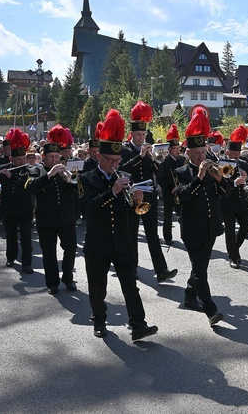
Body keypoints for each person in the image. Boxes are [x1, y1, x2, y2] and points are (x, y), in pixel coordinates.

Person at [80, 109, 158, 341]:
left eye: (118, 161)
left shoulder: (125, 176)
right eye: (110, 161)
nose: (115, 165)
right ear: (100, 159)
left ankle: (138, 324)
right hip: (98, 242)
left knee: (130, 285)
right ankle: (99, 320)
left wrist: (136, 200)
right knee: (98, 287)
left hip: (122, 240)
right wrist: (112, 192)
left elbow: (129, 211)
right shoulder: (87, 179)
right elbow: (88, 209)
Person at [175, 107, 229, 326]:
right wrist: (199, 177)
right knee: (200, 270)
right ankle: (210, 309)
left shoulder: (213, 171)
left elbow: (228, 193)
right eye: (197, 153)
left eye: (203, 153)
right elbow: (182, 196)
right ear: (188, 153)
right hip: (191, 229)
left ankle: (189, 296)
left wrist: (219, 179)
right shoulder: (180, 173)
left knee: (200, 268)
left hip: (210, 228)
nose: (201, 157)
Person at [120, 101, 177, 282]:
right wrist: (140, 156)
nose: (141, 138)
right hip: (132, 196)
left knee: (153, 234)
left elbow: (158, 173)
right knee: (131, 235)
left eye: (144, 134)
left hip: (149, 197)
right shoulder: (124, 149)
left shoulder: (149, 150)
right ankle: (131, 267)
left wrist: (153, 159)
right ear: (132, 134)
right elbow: (123, 170)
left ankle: (161, 270)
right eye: (138, 134)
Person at [24, 139, 79, 294]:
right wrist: (49, 175)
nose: (55, 160)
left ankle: (68, 278)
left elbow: (78, 192)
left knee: (70, 248)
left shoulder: (65, 171)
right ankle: (52, 282)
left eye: (57, 156)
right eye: (51, 157)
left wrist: (71, 180)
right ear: (43, 156)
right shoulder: (37, 170)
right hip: (46, 219)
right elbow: (29, 186)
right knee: (49, 252)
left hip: (66, 218)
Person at [0, 129, 34, 272]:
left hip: (25, 207)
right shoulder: (3, 168)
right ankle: (11, 257)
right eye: (19, 159)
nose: (22, 161)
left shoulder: (29, 170)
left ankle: (27, 263)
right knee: (11, 235)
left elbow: (27, 185)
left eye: (23, 158)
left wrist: (11, 177)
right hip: (8, 207)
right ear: (11, 159)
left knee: (26, 236)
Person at [220, 125, 248, 269]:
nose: (236, 156)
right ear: (227, 152)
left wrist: (246, 178)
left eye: (238, 153)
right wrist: (234, 182)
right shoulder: (222, 164)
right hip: (227, 201)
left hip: (241, 201)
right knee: (230, 231)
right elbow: (221, 182)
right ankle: (233, 256)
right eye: (233, 153)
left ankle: (235, 248)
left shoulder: (243, 163)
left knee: (246, 226)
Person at [158, 124, 184, 246]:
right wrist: (170, 189)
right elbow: (160, 179)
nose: (177, 150)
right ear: (169, 149)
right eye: (174, 148)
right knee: (168, 216)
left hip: (180, 190)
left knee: (184, 214)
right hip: (169, 192)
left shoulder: (181, 160)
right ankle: (167, 238)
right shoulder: (164, 161)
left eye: (177, 148)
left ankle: (186, 234)